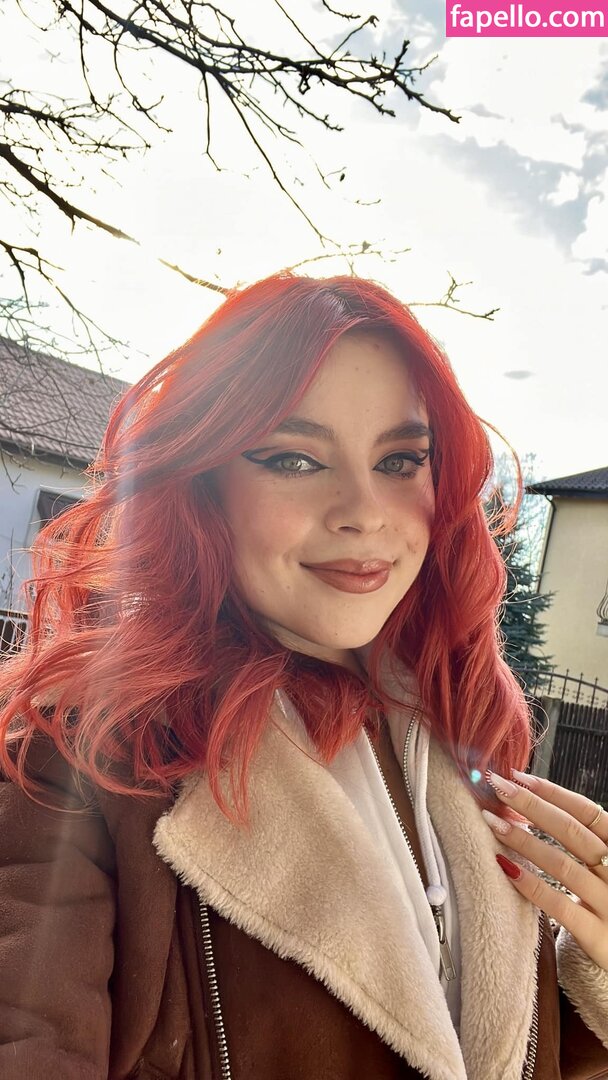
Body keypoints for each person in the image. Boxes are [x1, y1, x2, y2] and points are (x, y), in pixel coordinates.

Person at [0, 273, 607, 1080]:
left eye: (401, 460)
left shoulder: (461, 739)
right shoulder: (83, 754)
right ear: (203, 484)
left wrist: (595, 983)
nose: (364, 510)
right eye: (294, 458)